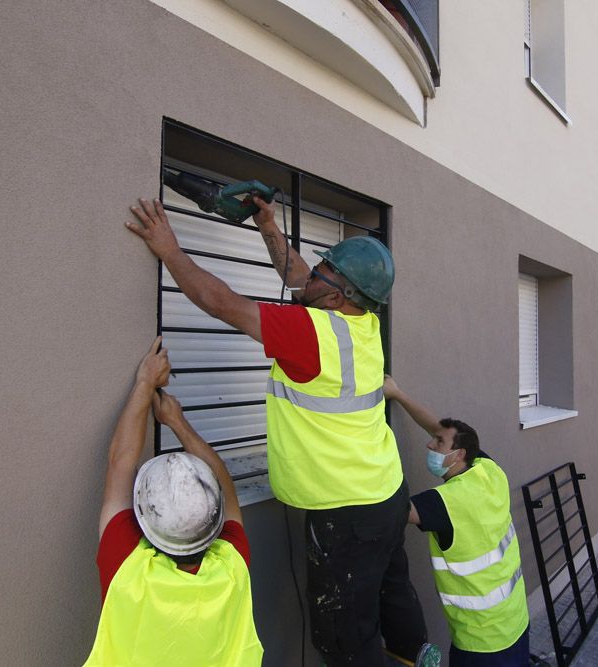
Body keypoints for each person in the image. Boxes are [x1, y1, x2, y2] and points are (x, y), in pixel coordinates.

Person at [125, 197, 436, 666]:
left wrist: (169, 249)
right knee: (395, 608)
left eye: (323, 271)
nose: (311, 272)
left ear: (337, 296)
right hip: (387, 495)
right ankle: (418, 657)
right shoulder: (365, 322)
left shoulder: (308, 333)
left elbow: (220, 302)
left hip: (347, 517)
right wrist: (268, 225)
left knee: (347, 642)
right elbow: (300, 276)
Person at [84, 337, 263, 666]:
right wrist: (177, 422)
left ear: (144, 523)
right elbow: (225, 484)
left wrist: (145, 381)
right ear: (214, 524)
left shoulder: (128, 570)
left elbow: (120, 463)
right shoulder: (232, 568)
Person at [384, 376, 530, 666]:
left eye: (438, 443)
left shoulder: (445, 502)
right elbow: (439, 428)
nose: (429, 443)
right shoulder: (488, 470)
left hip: (481, 644)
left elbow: (388, 509)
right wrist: (398, 394)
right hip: (515, 621)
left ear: (457, 456)